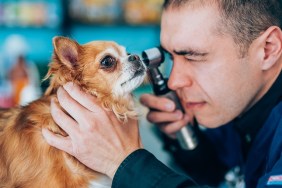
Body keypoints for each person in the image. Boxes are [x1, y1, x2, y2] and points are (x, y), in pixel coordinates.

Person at [42, 0, 282, 187]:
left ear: (268, 49)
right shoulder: (238, 112)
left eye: (192, 56)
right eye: (170, 57)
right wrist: (188, 141)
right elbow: (223, 175)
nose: (174, 80)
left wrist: (123, 162)